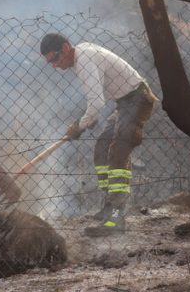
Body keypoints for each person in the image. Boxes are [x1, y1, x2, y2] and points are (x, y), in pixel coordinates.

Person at [40, 33, 157, 237]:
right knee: (102, 148)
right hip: (125, 103)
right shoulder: (82, 55)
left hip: (137, 99)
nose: (55, 66)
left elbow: (96, 104)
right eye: (50, 62)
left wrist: (80, 125)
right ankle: (108, 206)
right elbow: (97, 101)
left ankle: (116, 218)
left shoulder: (83, 59)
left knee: (118, 154)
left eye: (55, 59)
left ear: (66, 48)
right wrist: (87, 120)